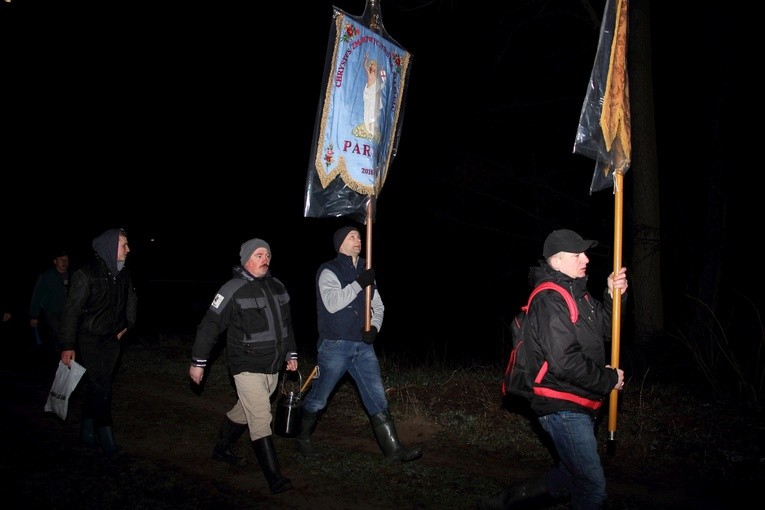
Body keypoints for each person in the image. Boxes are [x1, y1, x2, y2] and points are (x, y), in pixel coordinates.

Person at [478, 229, 627, 510]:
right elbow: (564, 362)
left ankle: (501, 503)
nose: (585, 259)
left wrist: (612, 295)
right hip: (562, 405)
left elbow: (607, 329)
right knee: (592, 489)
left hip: (579, 401)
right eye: (577, 255)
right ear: (556, 262)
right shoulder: (550, 299)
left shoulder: (578, 294)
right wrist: (608, 379)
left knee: (568, 478)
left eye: (585, 253)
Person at [295, 225, 422, 462]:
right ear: (340, 244)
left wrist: (374, 327)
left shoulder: (366, 270)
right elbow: (332, 303)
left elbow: (379, 306)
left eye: (360, 236)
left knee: (376, 396)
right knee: (319, 397)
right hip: (335, 346)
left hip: (363, 348)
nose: (358, 240)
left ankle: (393, 450)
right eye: (352, 236)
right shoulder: (328, 270)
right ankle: (302, 439)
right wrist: (358, 284)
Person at [189, 238, 298, 495]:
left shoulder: (278, 286)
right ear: (246, 259)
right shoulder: (232, 289)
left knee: (244, 411)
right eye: (258, 255)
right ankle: (275, 478)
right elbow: (210, 326)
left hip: (272, 368)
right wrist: (198, 362)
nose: (265, 259)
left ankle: (221, 448)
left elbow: (287, 326)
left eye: (267, 255)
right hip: (245, 366)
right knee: (261, 417)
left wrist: (291, 353)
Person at [60, 228, 137, 456]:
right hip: (88, 340)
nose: (128, 249)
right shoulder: (86, 274)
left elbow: (132, 298)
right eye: (124, 245)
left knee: (98, 385)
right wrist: (67, 345)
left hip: (111, 339)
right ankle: (107, 441)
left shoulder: (122, 274)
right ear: (110, 247)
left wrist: (127, 325)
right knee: (101, 388)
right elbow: (71, 312)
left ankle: (87, 433)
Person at [29, 249, 71, 373]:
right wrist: (34, 315)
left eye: (66, 260)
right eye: (61, 260)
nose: (64, 262)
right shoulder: (46, 276)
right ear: (55, 261)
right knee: (58, 339)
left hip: (68, 315)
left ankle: (63, 366)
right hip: (51, 314)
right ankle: (56, 367)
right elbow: (36, 296)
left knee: (66, 339)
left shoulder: (73, 275)